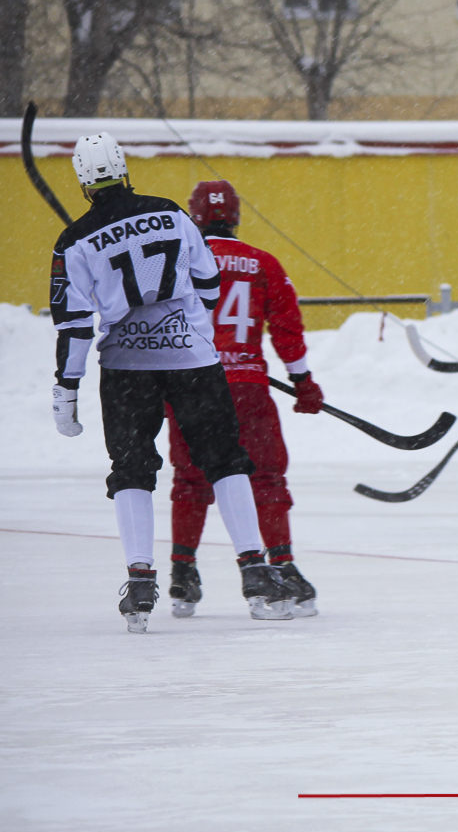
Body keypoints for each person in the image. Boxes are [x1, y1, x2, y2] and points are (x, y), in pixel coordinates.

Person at [48, 134, 294, 632]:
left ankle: (141, 580)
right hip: (191, 358)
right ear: (124, 169)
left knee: (132, 468)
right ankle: (255, 569)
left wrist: (66, 388)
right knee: (225, 459)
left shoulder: (74, 240)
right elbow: (207, 280)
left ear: (82, 182)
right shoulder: (170, 213)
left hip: (124, 364)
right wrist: (187, 324)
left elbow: (72, 324)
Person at [164, 180, 323, 618]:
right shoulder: (262, 263)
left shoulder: (176, 263)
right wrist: (303, 381)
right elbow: (287, 327)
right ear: (235, 217)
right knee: (266, 478)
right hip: (248, 387)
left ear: (193, 217)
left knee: (191, 479)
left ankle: (182, 572)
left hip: (189, 384)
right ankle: (283, 567)